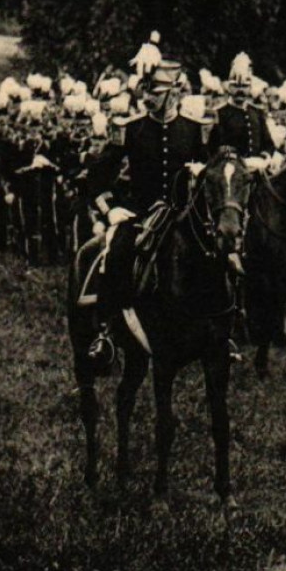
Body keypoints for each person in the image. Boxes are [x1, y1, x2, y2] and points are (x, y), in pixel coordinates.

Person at [83, 55, 222, 363]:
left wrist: (202, 174)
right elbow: (97, 177)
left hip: (184, 214)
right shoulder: (130, 129)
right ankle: (105, 332)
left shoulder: (195, 129)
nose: (147, 98)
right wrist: (110, 211)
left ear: (174, 92)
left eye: (155, 93)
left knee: (216, 255)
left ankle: (222, 330)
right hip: (139, 215)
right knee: (116, 250)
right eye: (145, 91)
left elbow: (214, 172)